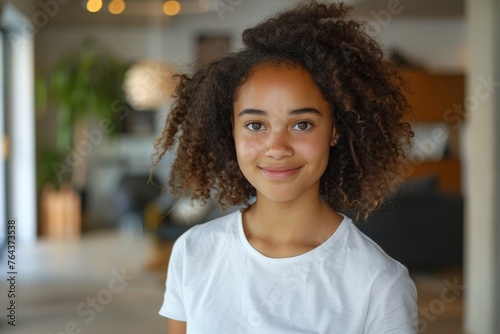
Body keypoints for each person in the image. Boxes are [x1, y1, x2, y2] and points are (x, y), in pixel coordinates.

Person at [153, 1, 418, 333]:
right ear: (231, 130)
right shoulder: (192, 252)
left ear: (335, 130)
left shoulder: (378, 283)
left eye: (302, 124)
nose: (277, 148)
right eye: (255, 125)